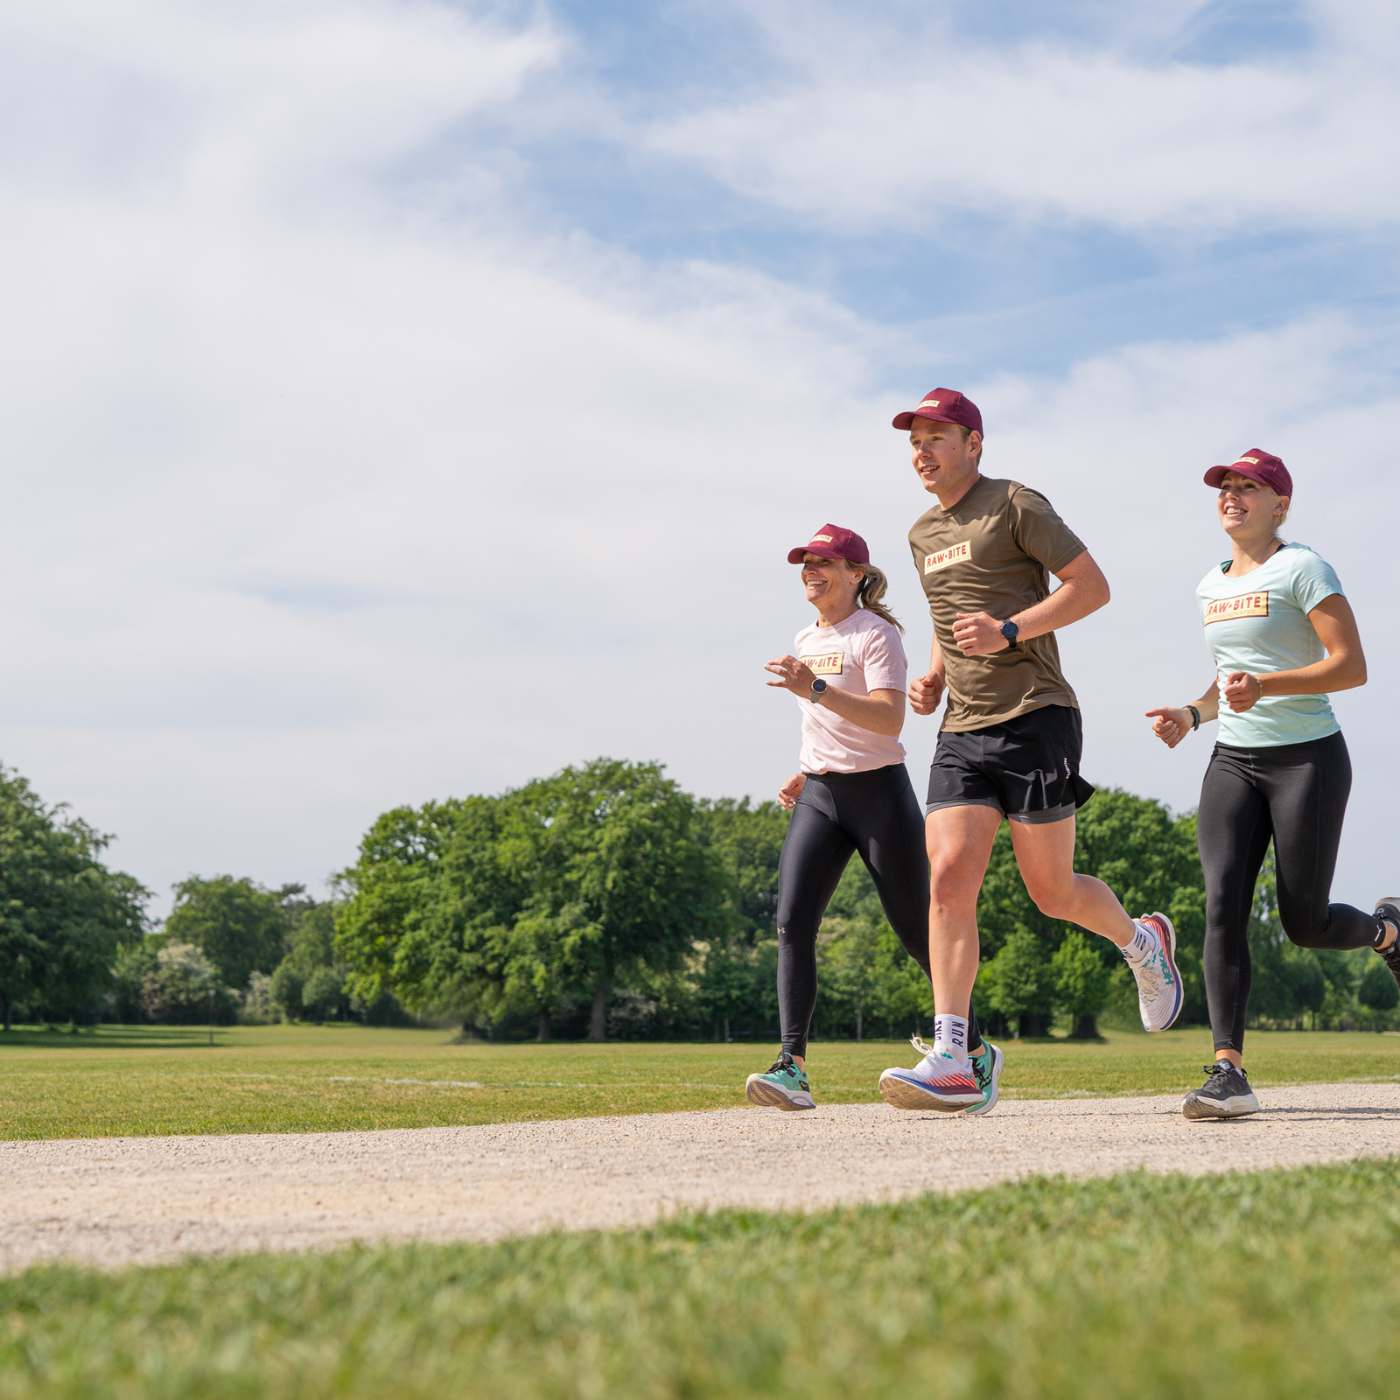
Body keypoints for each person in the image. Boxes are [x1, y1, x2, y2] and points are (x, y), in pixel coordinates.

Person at [877, 388, 1182, 1112]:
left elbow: (1092, 587)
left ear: (974, 442)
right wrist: (933, 675)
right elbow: (946, 620)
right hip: (961, 727)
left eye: (937, 436)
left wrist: (1011, 630)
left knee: (1052, 892)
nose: (923, 450)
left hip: (1035, 714)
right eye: (915, 440)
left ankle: (1141, 942)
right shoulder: (920, 532)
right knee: (949, 877)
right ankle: (955, 1052)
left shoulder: (1016, 503)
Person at [1145, 448, 1400, 1120]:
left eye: (1248, 487)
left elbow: (1351, 666)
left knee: (1305, 924)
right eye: (1225, 487)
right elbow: (1230, 675)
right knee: (1222, 901)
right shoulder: (1210, 584)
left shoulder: (1305, 568)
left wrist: (1267, 686)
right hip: (1233, 758)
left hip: (1307, 759)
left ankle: (1387, 934)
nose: (1232, 496)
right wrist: (1193, 714)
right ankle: (1228, 1069)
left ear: (1280, 504)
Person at [746, 522, 1003, 1114]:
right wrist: (806, 770)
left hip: (879, 796)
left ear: (855, 573)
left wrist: (814, 690)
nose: (811, 572)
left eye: (824, 563)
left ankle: (975, 1049)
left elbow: (889, 720)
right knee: (791, 923)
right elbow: (827, 724)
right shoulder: (805, 637)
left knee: (919, 934)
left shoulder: (877, 632)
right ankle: (792, 1068)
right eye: (805, 564)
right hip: (820, 795)